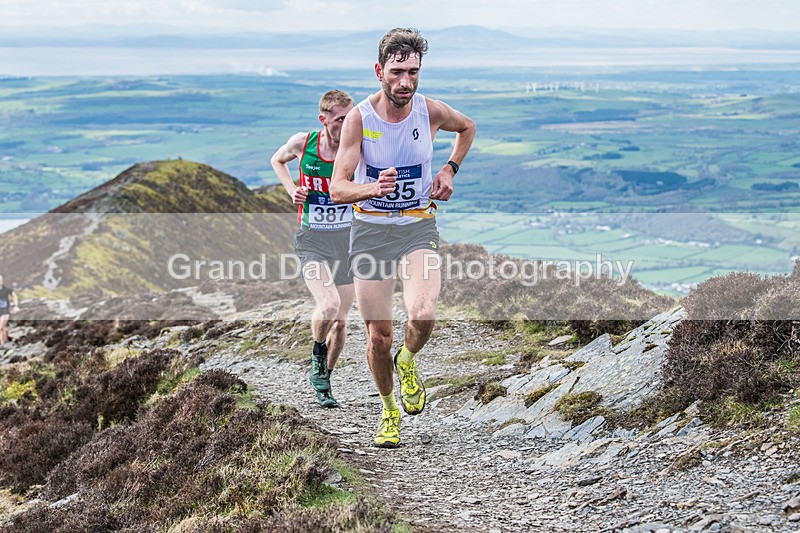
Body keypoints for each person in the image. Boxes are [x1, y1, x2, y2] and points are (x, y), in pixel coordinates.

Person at [330, 28, 475, 447]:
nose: (405, 82)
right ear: (379, 71)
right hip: (371, 232)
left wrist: (449, 170)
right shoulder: (360, 118)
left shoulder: (429, 112)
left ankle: (407, 361)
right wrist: (371, 189)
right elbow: (339, 187)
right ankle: (389, 409)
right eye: (396, 72)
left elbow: (467, 128)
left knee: (424, 314)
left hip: (417, 226)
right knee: (378, 335)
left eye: (413, 72)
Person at [271, 90, 357, 408]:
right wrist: (292, 189)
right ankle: (317, 355)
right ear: (324, 120)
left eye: (351, 119)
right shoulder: (303, 143)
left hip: (347, 242)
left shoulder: (357, 148)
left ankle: (325, 379)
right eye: (340, 120)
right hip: (312, 240)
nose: (347, 125)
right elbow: (277, 160)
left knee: (343, 321)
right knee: (330, 305)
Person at [0, 275, 19, 346]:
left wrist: (15, 306)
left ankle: (1, 345)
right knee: (3, 328)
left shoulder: (6, 289)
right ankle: (5, 341)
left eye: (0, 280)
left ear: (2, 281)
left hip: (5, 311)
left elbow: (14, 295)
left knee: (1, 327)